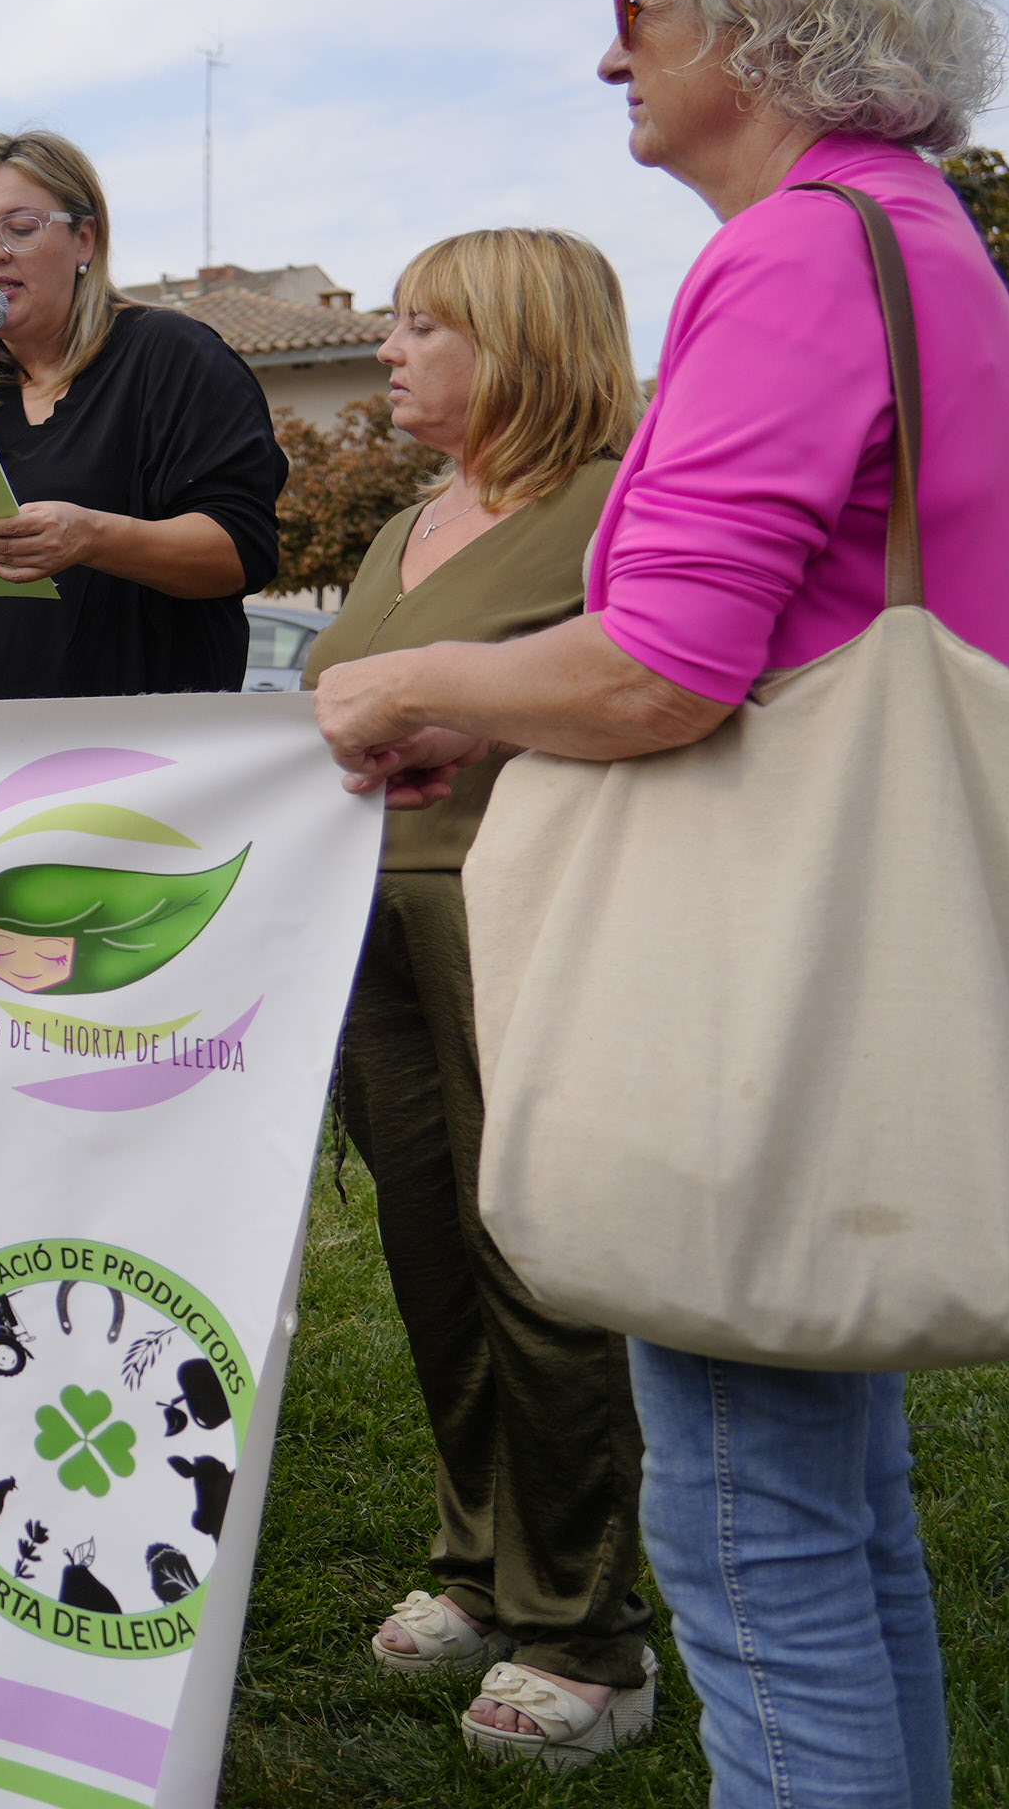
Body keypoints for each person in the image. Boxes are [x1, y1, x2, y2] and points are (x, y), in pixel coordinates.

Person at [317, 0, 1009, 1801]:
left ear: (768, 11)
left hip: (753, 989)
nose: (608, 58)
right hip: (844, 957)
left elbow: (665, 667)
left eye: (634, 9)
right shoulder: (915, 237)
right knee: (843, 1527)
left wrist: (406, 684)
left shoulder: (802, 251)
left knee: (756, 1550)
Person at [297, 231, 654, 1757]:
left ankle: (591, 1635)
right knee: (431, 1249)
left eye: (425, 325)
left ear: (521, 341)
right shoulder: (405, 525)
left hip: (527, 915)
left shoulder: (611, 508)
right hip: (371, 919)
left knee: (539, 1267)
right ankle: (481, 1566)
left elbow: (647, 690)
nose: (392, 349)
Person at [0, 129, 284, 699]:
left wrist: (92, 536)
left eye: (20, 229)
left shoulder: (170, 355)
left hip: (101, 755)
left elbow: (239, 550)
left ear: (85, 241)